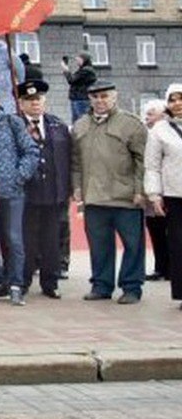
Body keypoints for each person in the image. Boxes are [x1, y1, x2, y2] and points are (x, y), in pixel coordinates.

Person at [72, 80, 149, 303]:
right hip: (94, 198)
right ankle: (101, 285)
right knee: (99, 246)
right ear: (89, 99)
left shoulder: (131, 124)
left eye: (104, 96)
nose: (100, 101)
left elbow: (142, 160)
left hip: (126, 197)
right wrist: (77, 187)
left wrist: (140, 190)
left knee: (133, 245)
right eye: (95, 97)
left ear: (114, 97)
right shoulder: (80, 125)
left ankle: (131, 287)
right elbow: (75, 161)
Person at [0, 84, 40, 306]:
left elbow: (31, 151)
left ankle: (16, 284)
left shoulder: (12, 122)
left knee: (14, 239)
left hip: (12, 193)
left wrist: (18, 176)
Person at [18, 80, 71, 300]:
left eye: (38, 99)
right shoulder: (15, 125)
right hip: (26, 193)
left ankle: (50, 282)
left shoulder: (57, 125)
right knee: (26, 241)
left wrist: (68, 188)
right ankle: (22, 281)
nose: (35, 103)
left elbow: (67, 158)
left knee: (52, 241)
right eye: (29, 100)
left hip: (53, 192)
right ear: (21, 103)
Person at [145, 83, 182, 311]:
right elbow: (152, 165)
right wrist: (154, 194)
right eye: (172, 99)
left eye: (181, 98)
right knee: (178, 244)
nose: (177, 103)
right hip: (175, 195)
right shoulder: (160, 130)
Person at [142, 99, 170, 282]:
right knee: (155, 230)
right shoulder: (146, 134)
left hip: (169, 190)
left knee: (170, 232)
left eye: (151, 114)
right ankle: (161, 267)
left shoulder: (168, 134)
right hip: (151, 191)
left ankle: (171, 267)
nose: (147, 117)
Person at [62, 52, 97, 123]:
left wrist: (66, 70)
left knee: (81, 121)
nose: (77, 61)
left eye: (79, 59)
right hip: (78, 99)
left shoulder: (86, 70)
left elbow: (71, 80)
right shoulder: (84, 70)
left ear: (84, 60)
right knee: (77, 122)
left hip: (81, 99)